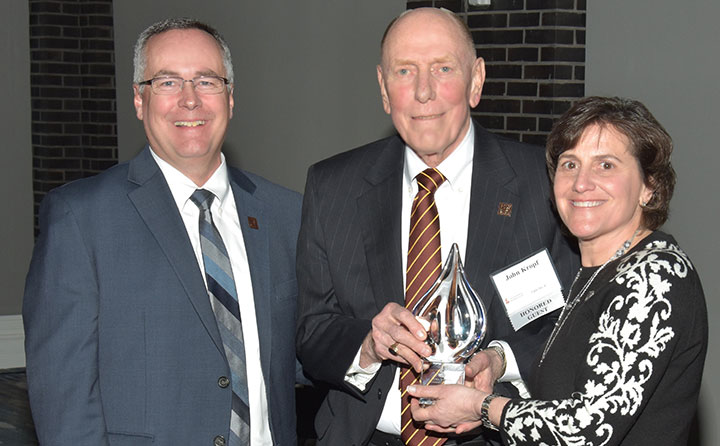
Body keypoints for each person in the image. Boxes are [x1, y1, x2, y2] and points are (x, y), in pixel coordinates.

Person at [295, 7, 578, 446]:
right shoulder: (332, 187)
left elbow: (571, 327)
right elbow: (312, 332)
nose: (423, 92)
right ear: (384, 90)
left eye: (443, 68)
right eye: (404, 71)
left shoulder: (544, 185)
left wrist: (500, 364)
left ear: (476, 81)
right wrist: (368, 344)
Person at [23, 18, 302, 445]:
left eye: (207, 81)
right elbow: (65, 402)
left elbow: (303, 353)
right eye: (168, 82)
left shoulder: (286, 212)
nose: (190, 101)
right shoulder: (80, 218)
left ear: (230, 98)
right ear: (139, 100)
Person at [408, 96, 708, 446]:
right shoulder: (594, 273)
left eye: (606, 165)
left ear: (649, 187)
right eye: (569, 164)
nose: (581, 183)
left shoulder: (656, 276)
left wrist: (482, 406)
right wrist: (497, 361)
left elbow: (587, 429)